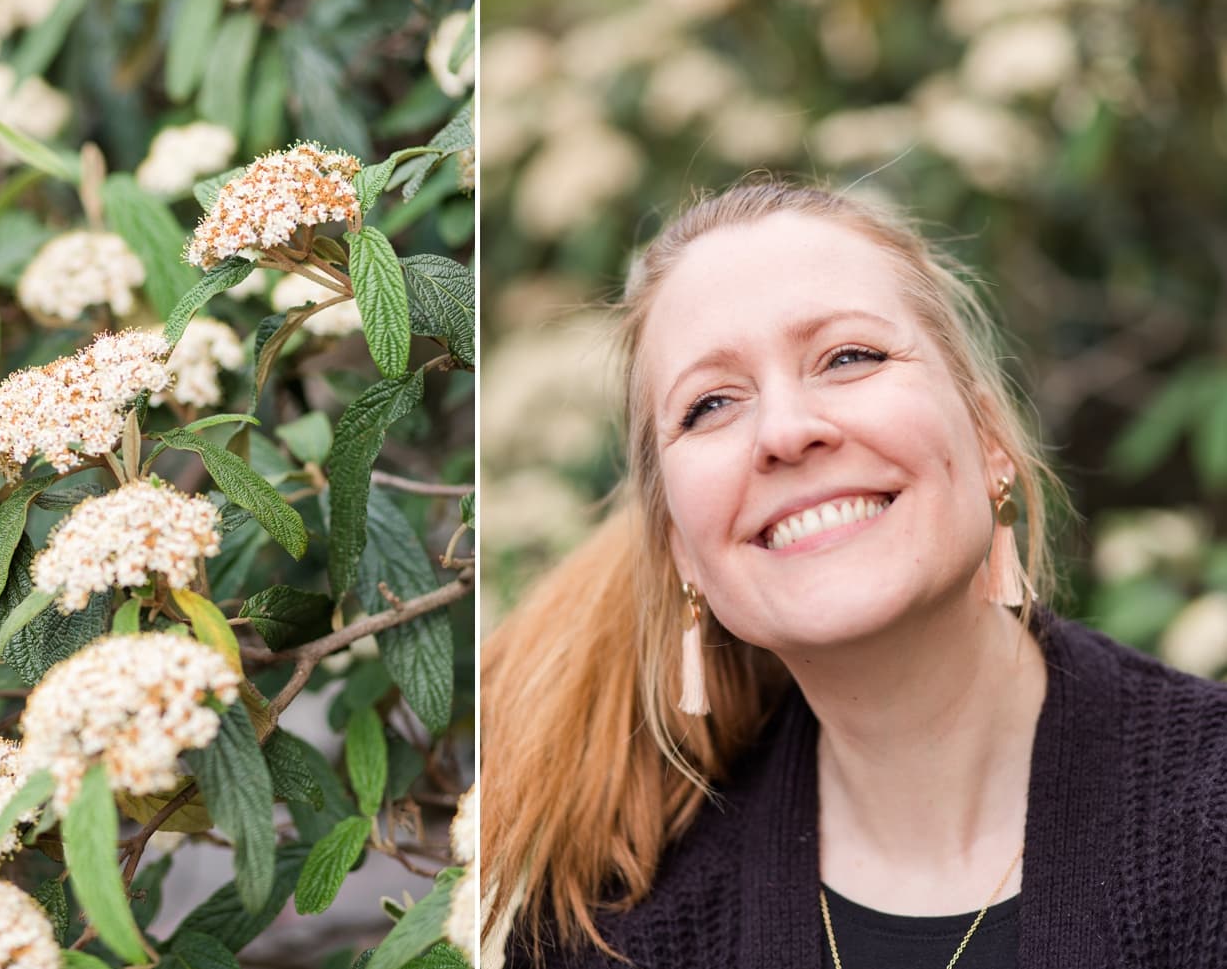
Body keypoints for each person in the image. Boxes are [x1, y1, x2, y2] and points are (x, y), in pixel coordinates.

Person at [480, 181, 1227, 968]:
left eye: (849, 357)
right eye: (710, 405)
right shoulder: (608, 936)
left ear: (990, 442)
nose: (786, 431)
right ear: (680, 551)